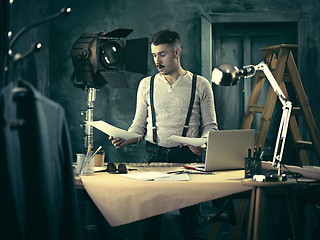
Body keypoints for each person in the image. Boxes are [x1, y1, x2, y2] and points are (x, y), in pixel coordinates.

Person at [109, 29, 218, 240]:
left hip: (188, 157)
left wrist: (203, 144)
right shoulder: (146, 85)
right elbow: (138, 128)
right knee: (150, 227)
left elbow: (211, 127)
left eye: (162, 54)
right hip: (153, 157)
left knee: (191, 226)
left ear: (177, 52)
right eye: (154, 55)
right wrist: (126, 138)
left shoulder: (201, 84)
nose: (157, 61)